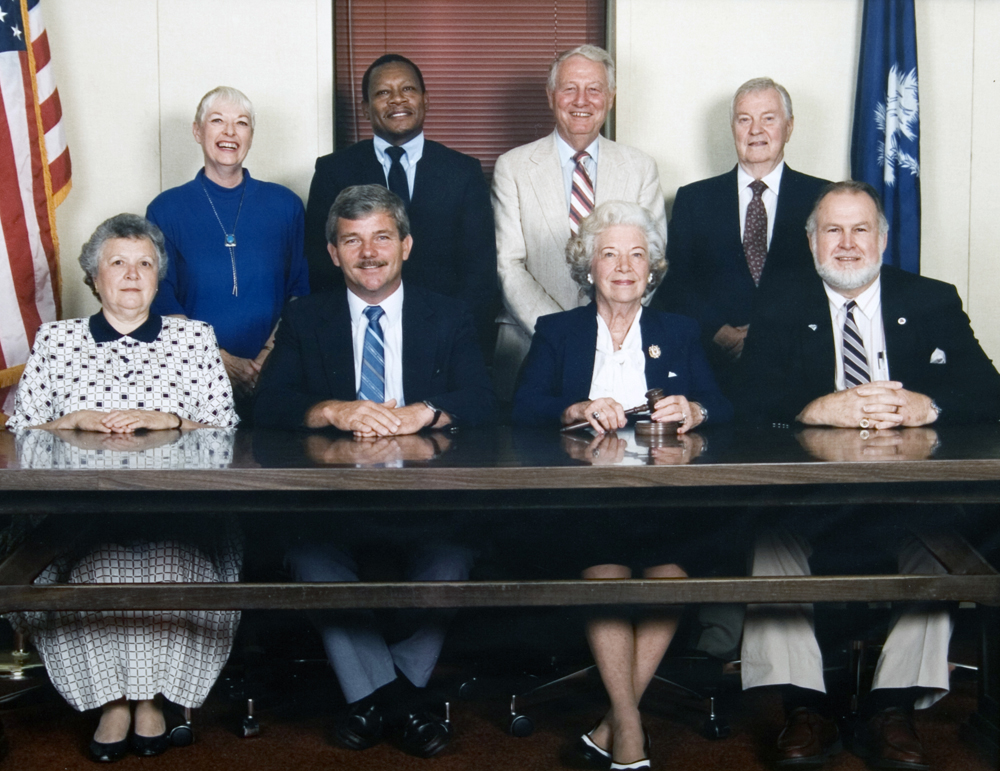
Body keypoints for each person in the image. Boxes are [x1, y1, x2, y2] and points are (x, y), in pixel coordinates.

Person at [736, 181, 1000, 770]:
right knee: (769, 542)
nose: (848, 244)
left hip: (910, 500)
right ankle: (805, 707)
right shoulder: (781, 303)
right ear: (812, 244)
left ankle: (891, 707)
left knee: (940, 551)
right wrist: (815, 407)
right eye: (833, 230)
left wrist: (925, 404)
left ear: (882, 239)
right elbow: (747, 400)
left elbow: (989, 390)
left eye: (861, 230)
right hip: (810, 503)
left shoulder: (931, 298)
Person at [255, 184, 495, 758]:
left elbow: (484, 398)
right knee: (313, 561)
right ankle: (402, 704)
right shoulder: (305, 316)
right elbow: (268, 403)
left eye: (382, 237)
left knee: (451, 563)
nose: (369, 252)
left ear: (406, 245)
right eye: (352, 240)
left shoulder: (448, 314)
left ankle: (373, 698)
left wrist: (428, 411)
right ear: (333, 253)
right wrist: (331, 409)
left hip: (428, 500)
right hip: (332, 502)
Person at [5, 213, 241, 763]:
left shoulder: (193, 337)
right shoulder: (58, 340)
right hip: (76, 519)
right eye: (118, 263)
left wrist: (173, 421)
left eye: (145, 265)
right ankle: (113, 701)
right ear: (94, 277)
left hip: (178, 514)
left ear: (159, 278)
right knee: (95, 568)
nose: (132, 275)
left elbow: (226, 428)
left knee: (166, 563)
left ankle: (152, 697)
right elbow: (20, 432)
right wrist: (72, 421)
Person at [513, 201, 731, 771]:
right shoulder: (557, 330)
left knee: (671, 572)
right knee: (605, 566)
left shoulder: (678, 332)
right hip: (581, 496)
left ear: (652, 268)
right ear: (588, 266)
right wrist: (578, 406)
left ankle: (614, 721)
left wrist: (697, 407)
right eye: (609, 253)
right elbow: (521, 409)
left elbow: (727, 405)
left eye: (637, 254)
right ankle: (630, 724)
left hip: (664, 493)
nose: (625, 265)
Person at [493, 44, 666, 400]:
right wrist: (565, 333)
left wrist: (607, 331)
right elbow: (508, 265)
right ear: (551, 95)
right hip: (529, 343)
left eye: (594, 89)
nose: (581, 100)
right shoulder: (512, 167)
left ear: (611, 96)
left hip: (621, 348)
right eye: (569, 88)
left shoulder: (641, 168)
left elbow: (651, 263)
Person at [303, 54, 497, 358]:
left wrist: (459, 339)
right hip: (360, 335)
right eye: (383, 93)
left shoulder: (462, 172)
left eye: (407, 89)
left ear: (425, 100)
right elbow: (321, 264)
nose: (397, 100)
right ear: (366, 109)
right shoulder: (333, 171)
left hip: (445, 338)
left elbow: (479, 273)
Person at [650, 77, 828, 394]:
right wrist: (717, 331)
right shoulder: (694, 199)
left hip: (799, 370)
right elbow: (673, 282)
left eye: (768, 119)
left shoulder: (824, 197)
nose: (755, 130)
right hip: (714, 370)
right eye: (744, 119)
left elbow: (832, 280)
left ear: (789, 127)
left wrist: (768, 333)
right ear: (733, 128)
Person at [147, 86, 309, 416]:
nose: (230, 132)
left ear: (251, 135)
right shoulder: (166, 210)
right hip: (192, 377)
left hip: (274, 373)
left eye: (242, 123)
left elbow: (300, 292)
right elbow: (161, 297)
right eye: (217, 121)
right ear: (197, 130)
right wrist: (219, 359)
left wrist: (268, 357)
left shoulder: (285, 205)